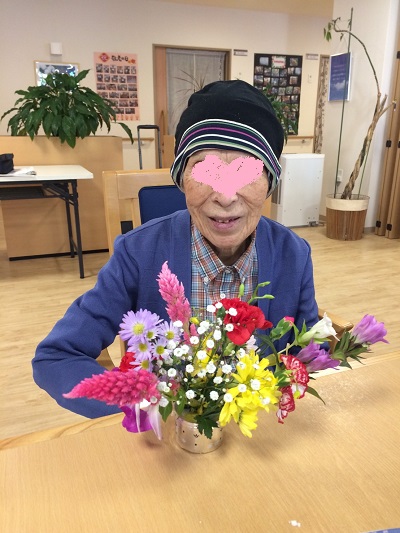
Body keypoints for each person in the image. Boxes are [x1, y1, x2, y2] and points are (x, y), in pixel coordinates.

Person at [32, 80, 319, 418]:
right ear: (181, 178)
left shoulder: (293, 255)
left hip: (258, 434)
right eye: (206, 171)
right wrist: (142, 412)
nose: (226, 196)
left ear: (270, 182)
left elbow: (311, 354)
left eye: (246, 172)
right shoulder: (137, 253)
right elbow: (56, 357)